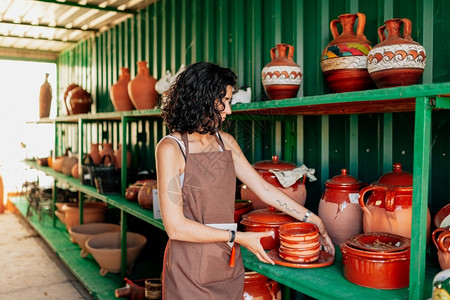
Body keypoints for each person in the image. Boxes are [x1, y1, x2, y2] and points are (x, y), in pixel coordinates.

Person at [155, 62, 335, 299]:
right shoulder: (171, 148)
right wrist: (238, 237)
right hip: (188, 267)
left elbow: (263, 188)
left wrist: (315, 220)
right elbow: (175, 228)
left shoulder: (225, 142)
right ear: (202, 99)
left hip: (226, 261)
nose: (229, 110)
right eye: (225, 101)